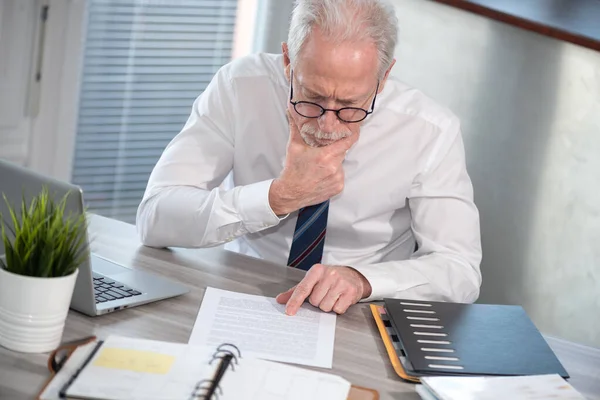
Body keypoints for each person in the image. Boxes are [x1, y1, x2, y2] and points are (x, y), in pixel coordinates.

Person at [136, 0, 482, 316]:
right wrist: (276, 197)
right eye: (311, 96)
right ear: (288, 61)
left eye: (350, 106)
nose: (327, 124)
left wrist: (363, 280)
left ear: (384, 77)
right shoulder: (240, 87)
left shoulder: (431, 131)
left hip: (359, 312)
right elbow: (155, 216)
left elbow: (459, 270)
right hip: (241, 292)